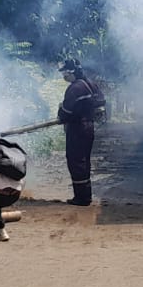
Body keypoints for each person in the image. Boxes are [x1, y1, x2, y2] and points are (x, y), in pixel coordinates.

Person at [56, 58, 106, 206]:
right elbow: (101, 103)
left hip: (77, 128)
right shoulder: (91, 84)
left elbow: (65, 112)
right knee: (84, 160)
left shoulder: (74, 89)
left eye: (65, 73)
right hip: (89, 127)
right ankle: (85, 195)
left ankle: (81, 198)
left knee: (76, 161)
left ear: (72, 72)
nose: (64, 76)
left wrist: (60, 110)